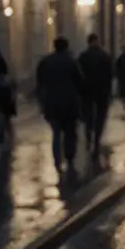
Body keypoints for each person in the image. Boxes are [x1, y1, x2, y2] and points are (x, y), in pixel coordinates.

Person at [35, 36, 84, 174]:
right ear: (66, 47)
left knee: (56, 133)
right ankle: (69, 158)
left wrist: (41, 102)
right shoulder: (71, 62)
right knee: (70, 133)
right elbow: (80, 82)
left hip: (52, 103)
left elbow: (39, 83)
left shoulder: (45, 62)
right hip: (69, 103)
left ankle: (57, 160)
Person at [77, 33, 113, 159]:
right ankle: (97, 140)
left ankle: (88, 136)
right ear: (97, 41)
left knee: (88, 116)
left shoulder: (83, 56)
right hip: (102, 91)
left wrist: (80, 90)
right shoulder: (104, 56)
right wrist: (110, 91)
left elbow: (79, 75)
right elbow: (110, 74)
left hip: (87, 91)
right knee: (100, 117)